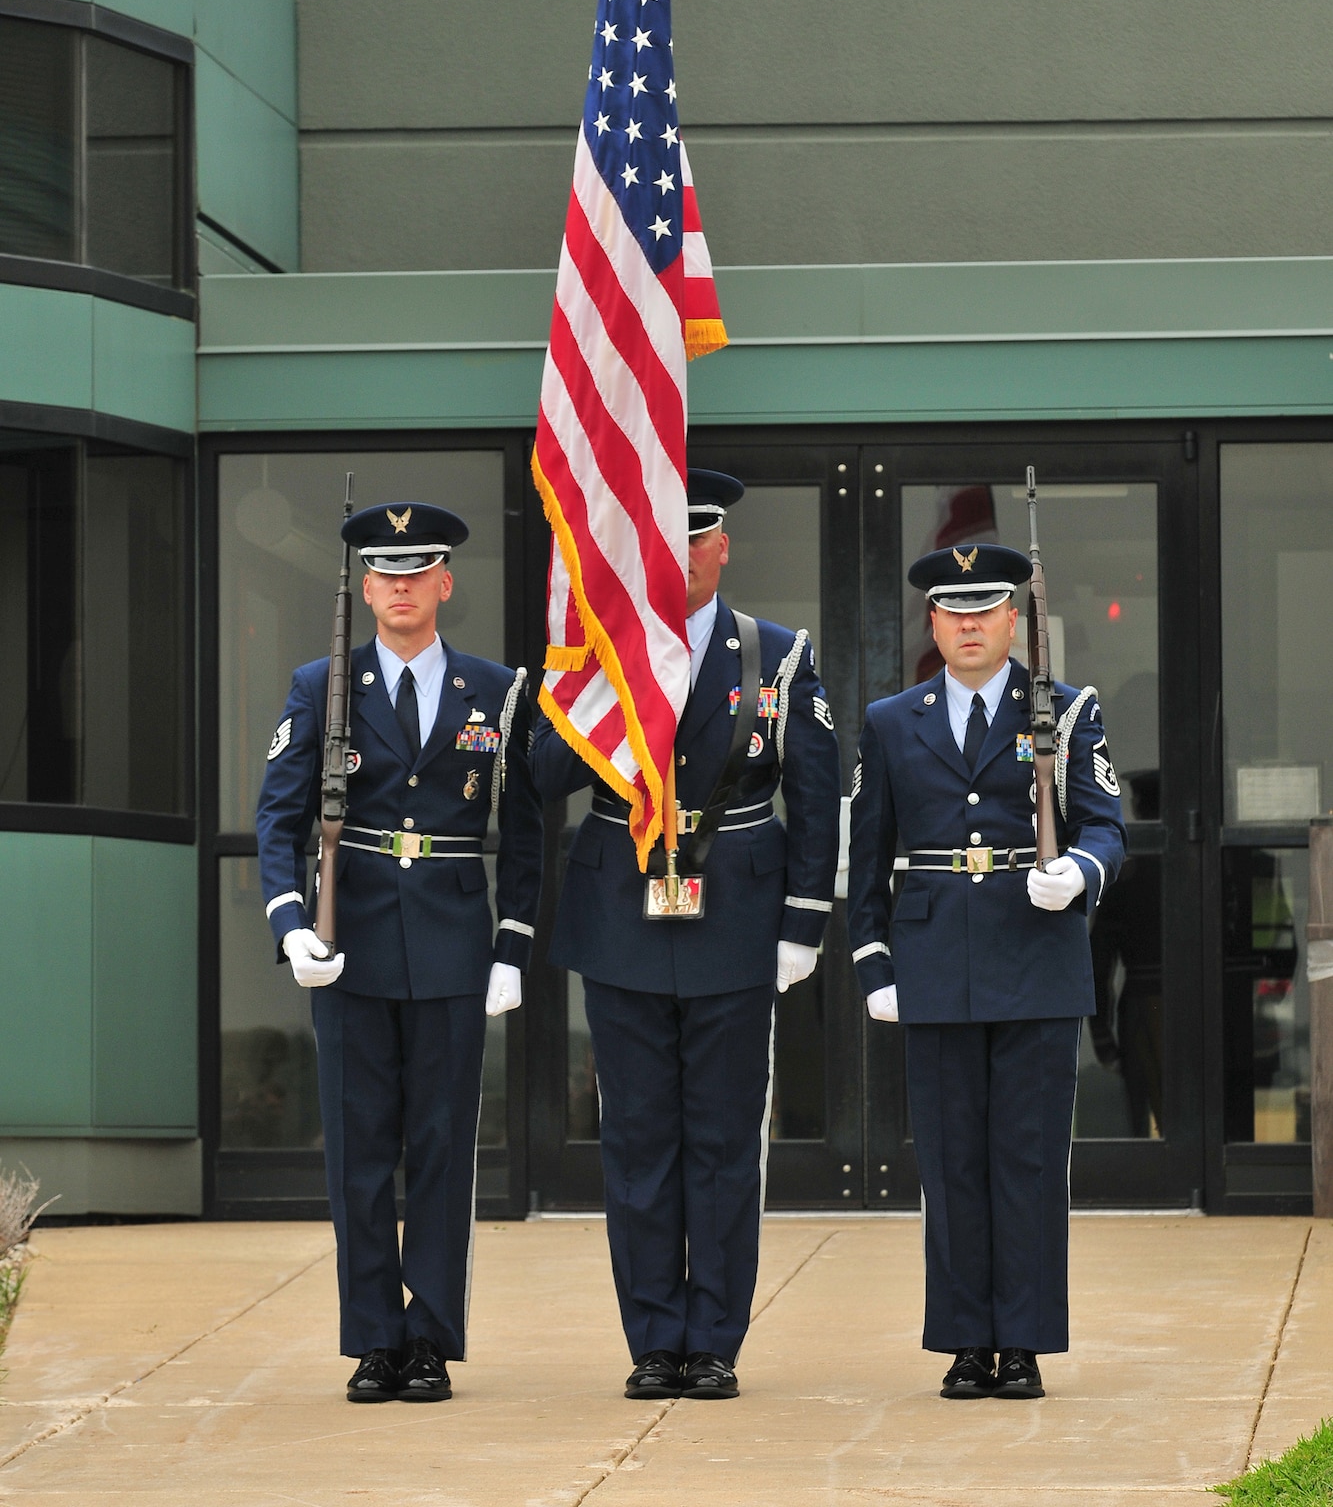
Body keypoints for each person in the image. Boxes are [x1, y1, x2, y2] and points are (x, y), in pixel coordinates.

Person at [530, 468, 841, 1402]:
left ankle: (714, 1340)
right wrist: (596, 672)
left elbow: (817, 797)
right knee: (635, 1142)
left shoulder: (774, 656)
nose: (681, 557)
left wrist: (803, 924)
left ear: (721, 547)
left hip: (737, 919)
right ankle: (652, 1339)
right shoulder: (599, 651)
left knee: (720, 1143)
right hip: (622, 915)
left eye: (696, 540)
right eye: (662, 544)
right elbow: (540, 775)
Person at [256, 500, 542, 1404]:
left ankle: (430, 1336)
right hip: (353, 945)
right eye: (386, 574)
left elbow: (527, 833)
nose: (402, 587)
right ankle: (373, 1337)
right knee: (359, 1151)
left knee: (443, 1148)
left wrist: (512, 945)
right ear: (366, 590)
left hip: (455, 944)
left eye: (419, 573)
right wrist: (289, 920)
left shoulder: (495, 690)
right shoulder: (320, 686)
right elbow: (278, 818)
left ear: (444, 585)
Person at [846, 541, 1126, 1401]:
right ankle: (967, 1341)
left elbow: (1106, 822)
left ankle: (1026, 1341)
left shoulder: (1066, 711)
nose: (968, 623)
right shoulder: (893, 719)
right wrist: (872, 963)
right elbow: (868, 854)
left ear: (1014, 618)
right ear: (932, 622)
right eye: (951, 610)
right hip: (933, 961)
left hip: (1035, 958)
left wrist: (1077, 871)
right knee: (951, 1162)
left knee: (1029, 1161)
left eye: (985, 609)